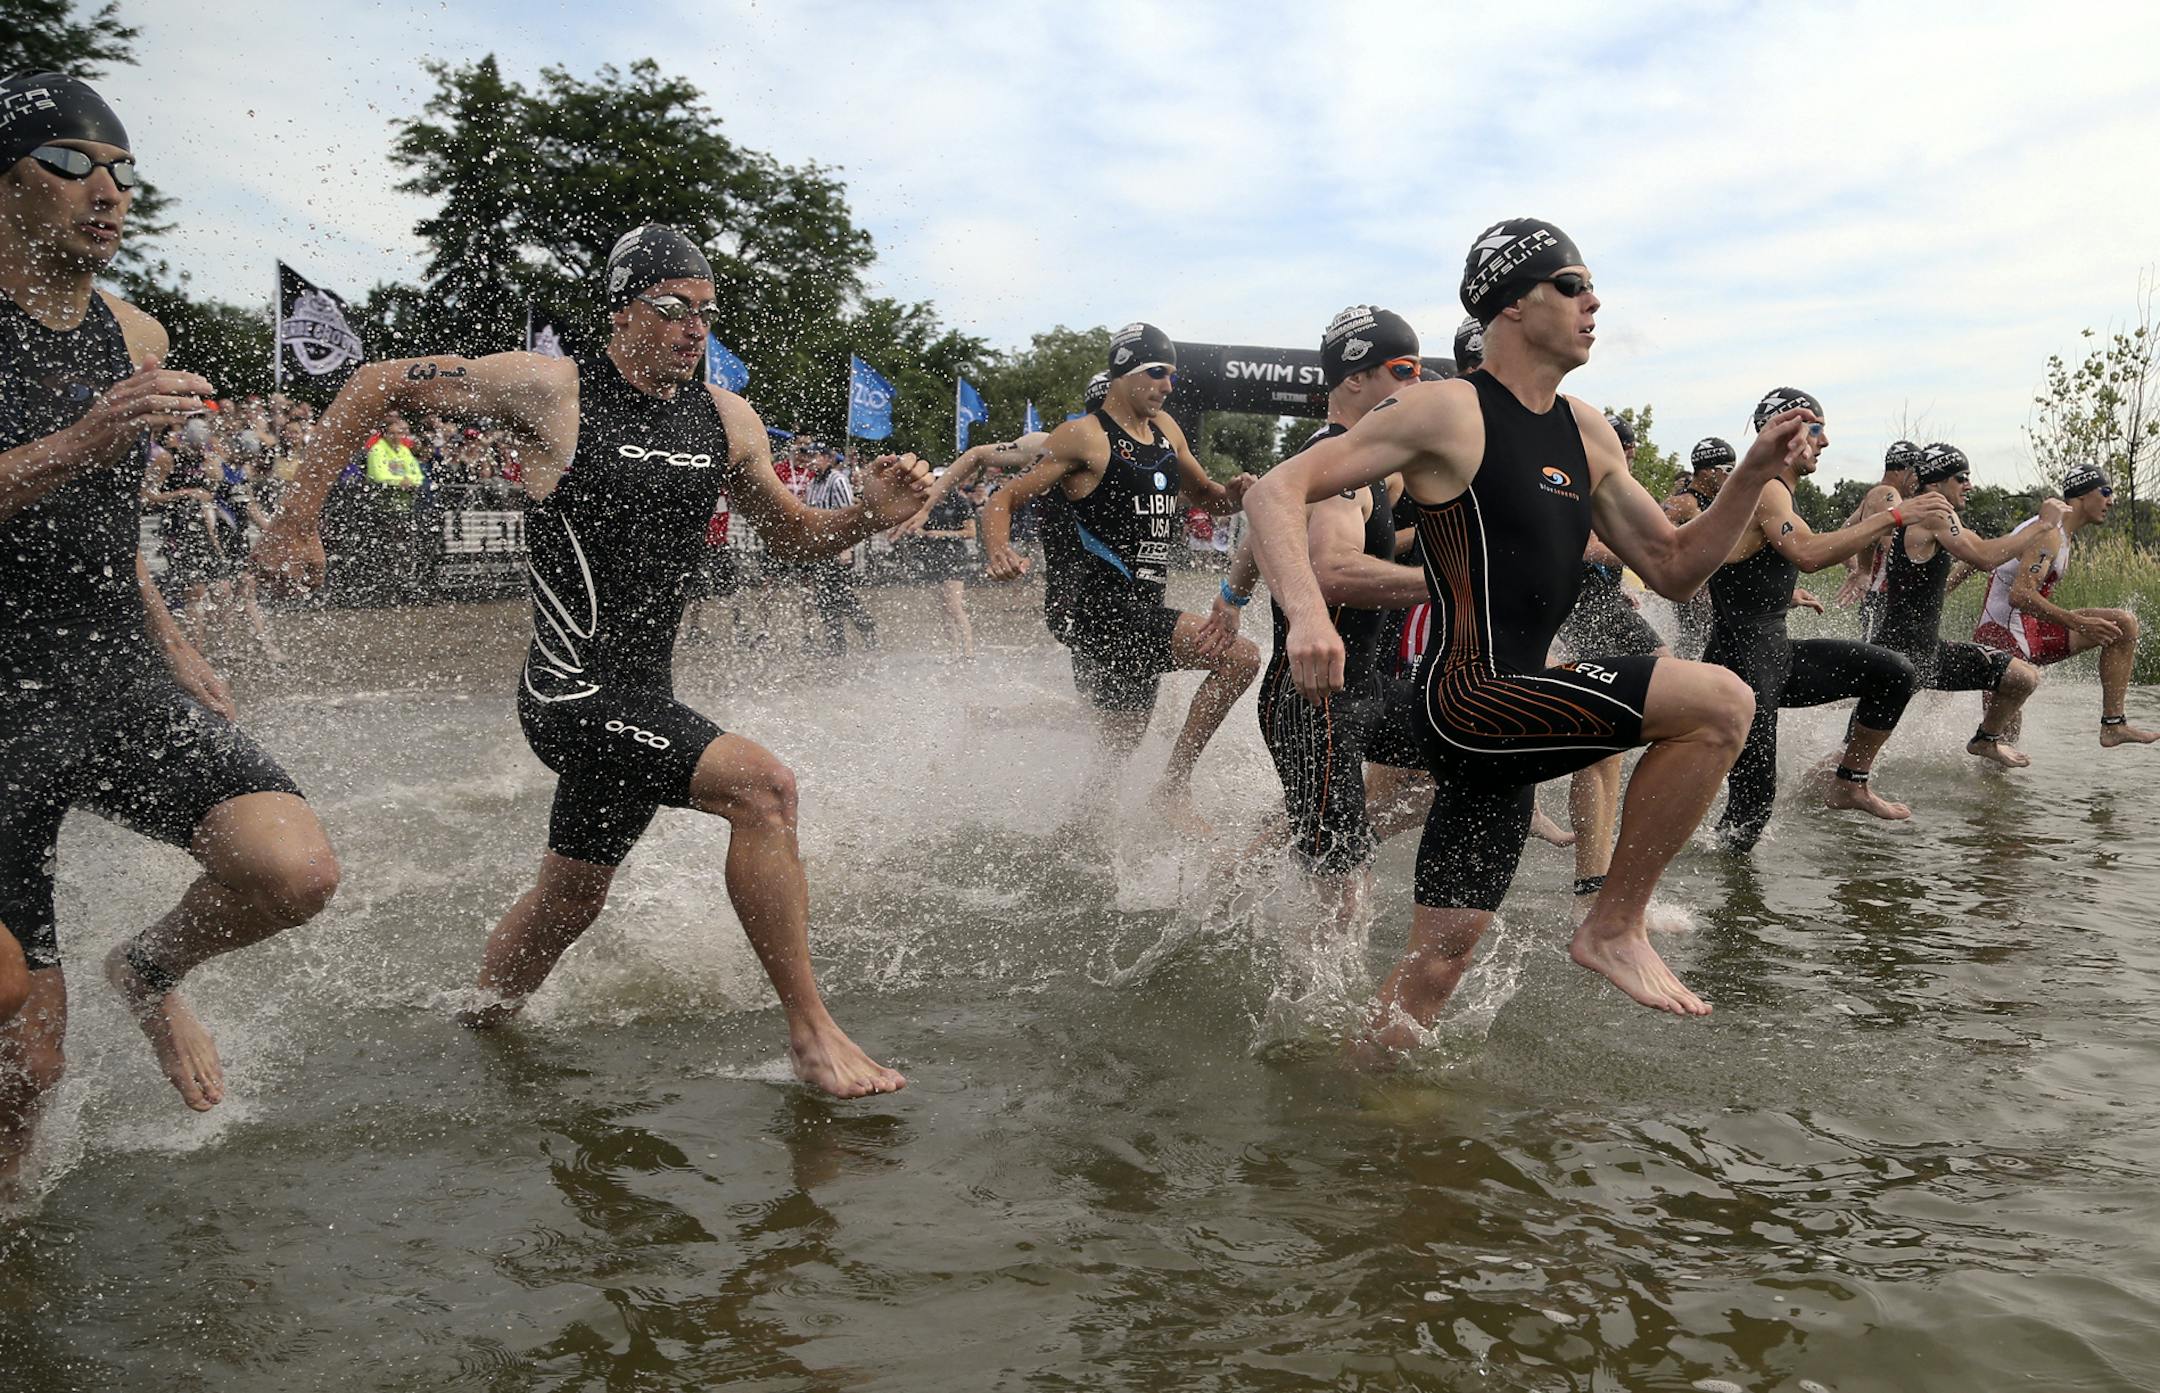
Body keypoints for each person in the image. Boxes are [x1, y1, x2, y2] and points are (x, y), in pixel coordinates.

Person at [257, 223, 926, 1097]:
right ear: (621, 310)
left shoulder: (727, 419)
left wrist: (869, 515)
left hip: (641, 695)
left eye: (707, 313)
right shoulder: (554, 392)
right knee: (766, 790)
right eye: (674, 307)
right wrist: (300, 514)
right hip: (568, 693)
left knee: (568, 901)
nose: (696, 328)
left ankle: (477, 1027)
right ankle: (813, 1032)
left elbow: (795, 539)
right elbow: (375, 380)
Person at [1248, 217, 1811, 1043]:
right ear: (1512, 304)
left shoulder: (1586, 431)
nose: (1594, 303)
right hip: (1468, 698)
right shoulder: (1446, 410)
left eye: (1591, 288)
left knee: (1434, 973)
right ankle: (1614, 924)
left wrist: (1755, 472)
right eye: (1573, 286)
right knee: (1721, 700)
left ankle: (1350, 1121)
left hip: (1508, 730)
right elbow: (1274, 491)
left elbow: (1675, 564)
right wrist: (1303, 613)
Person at [1, 71, 341, 1188]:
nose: (108, 191)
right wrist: (71, 445)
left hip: (108, 670)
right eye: (71, 165)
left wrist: (173, 639)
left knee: (290, 869)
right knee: (24, 1069)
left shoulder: (131, 329)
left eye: (123, 172)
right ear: (8, 182)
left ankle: (146, 971)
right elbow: (76, 466)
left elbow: (104, 515)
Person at [980, 323, 1258, 825]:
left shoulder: (1167, 431)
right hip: (1099, 611)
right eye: (1157, 373)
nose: (1168, 385)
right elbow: (1003, 497)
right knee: (1240, 657)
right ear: (1124, 372)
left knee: (1116, 753)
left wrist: (1236, 493)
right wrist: (999, 550)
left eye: (1172, 375)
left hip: (1140, 610)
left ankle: (1075, 840)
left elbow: (1207, 499)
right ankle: (1173, 789)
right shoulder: (1083, 436)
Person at [1221, 307, 1432, 916]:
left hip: (1364, 686)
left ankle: (1252, 864)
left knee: (1471, 752)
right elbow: (1332, 570)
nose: (1416, 385)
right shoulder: (1337, 462)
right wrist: (1454, 583)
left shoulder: (1363, 467)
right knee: (1341, 884)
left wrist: (1230, 598)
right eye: (1404, 369)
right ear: (1355, 379)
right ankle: (1309, 1002)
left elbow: (1268, 526)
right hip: (1315, 701)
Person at [1703, 388, 1954, 854]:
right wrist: (1896, 516)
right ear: (1785, 432)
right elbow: (1808, 552)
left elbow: (1734, 559)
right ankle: (1708, 900)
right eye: (1815, 429)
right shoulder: (1766, 490)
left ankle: (1849, 782)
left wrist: (1781, 591)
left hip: (1773, 655)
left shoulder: (1775, 495)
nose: (1825, 441)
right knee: (1751, 811)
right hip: (1740, 668)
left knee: (1894, 672)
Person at [1873, 444, 2060, 767]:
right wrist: (2043, 526)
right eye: (1961, 478)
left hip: (1919, 653)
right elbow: (1986, 557)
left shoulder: (1926, 516)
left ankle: (1987, 740)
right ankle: (1986, 739)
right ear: (1935, 483)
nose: (1969, 485)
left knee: (2021, 677)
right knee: (1852, 760)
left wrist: (1863, 571)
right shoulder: (1934, 515)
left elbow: (1982, 548)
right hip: (1904, 657)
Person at [1969, 465, 2158, 746]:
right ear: (2082, 496)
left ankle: (2113, 725)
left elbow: (1978, 556)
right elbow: (2019, 595)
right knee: (2000, 747)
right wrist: (2076, 621)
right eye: (2105, 492)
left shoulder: (2060, 532)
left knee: (2123, 625)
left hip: (2030, 631)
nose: (2111, 500)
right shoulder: (2049, 533)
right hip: (2002, 636)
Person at [1837, 440, 1922, 636]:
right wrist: (1864, 572)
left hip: (1877, 597)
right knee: (1883, 662)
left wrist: (1858, 571)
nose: (1918, 480)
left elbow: (1842, 537)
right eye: (1915, 473)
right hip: (1884, 597)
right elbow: (1890, 542)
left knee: (1881, 659)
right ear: (1899, 471)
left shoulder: (1873, 495)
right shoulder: (1887, 493)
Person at [803, 444, 878, 655]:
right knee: (824, 597)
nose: (811, 460)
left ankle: (866, 628)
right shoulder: (812, 484)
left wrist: (846, 548)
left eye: (815, 456)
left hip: (837, 548)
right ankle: (836, 643)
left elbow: (849, 515)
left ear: (828, 458)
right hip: (820, 550)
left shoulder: (837, 480)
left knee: (840, 594)